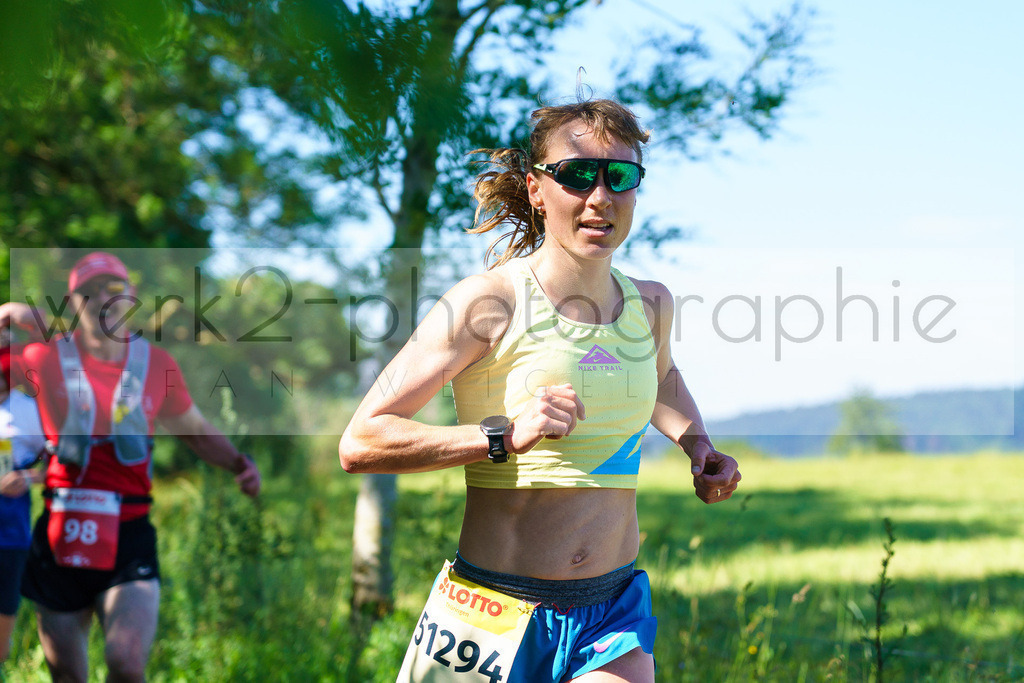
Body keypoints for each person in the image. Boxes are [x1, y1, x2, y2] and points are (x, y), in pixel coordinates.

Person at [339, 98, 741, 682]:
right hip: (490, 614)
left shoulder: (651, 304)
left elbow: (661, 378)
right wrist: (502, 436)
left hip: (612, 610)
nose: (600, 196)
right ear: (535, 188)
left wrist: (698, 445)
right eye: (577, 175)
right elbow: (362, 441)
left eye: (620, 175)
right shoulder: (487, 302)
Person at [0, 251, 261, 682]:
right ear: (73, 302)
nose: (102, 298)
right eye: (88, 291)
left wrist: (239, 464)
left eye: (114, 287)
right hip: (60, 532)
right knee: (67, 676)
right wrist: (17, 315)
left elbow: (195, 431)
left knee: (126, 663)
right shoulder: (43, 357)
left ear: (132, 295)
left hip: (129, 534)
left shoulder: (156, 364)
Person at [0, 348, 47, 665]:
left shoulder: (27, 409)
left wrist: (28, 477)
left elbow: (58, 458)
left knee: (2, 630)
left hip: (10, 534)